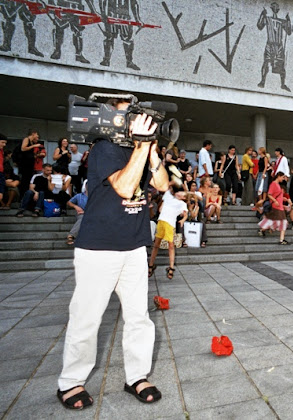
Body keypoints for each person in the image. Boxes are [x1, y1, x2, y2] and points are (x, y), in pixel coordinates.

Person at [57, 104, 169, 409]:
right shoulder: (104, 147)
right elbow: (124, 187)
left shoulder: (141, 149)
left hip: (133, 245)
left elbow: (162, 184)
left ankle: (137, 376)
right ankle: (71, 382)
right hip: (100, 246)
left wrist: (151, 150)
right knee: (87, 317)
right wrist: (142, 147)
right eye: (128, 115)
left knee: (139, 317)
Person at [148, 188, 188, 280]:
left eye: (182, 194)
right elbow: (160, 209)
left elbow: (185, 214)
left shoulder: (182, 204)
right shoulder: (169, 198)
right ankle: (151, 265)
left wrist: (182, 220)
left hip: (170, 224)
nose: (180, 194)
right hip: (161, 221)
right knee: (156, 244)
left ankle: (171, 267)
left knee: (171, 245)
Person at [258, 172, 290, 245]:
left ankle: (263, 230)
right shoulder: (274, 184)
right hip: (277, 206)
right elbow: (269, 194)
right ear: (278, 176)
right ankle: (281, 239)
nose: (283, 179)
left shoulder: (277, 184)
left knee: (274, 220)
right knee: (282, 221)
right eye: (282, 177)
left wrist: (281, 199)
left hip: (279, 206)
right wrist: (275, 201)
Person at [66, 181, 88, 246]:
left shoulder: (96, 196)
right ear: (85, 186)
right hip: (81, 213)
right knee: (82, 218)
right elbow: (69, 202)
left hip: (92, 214)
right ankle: (71, 235)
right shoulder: (79, 196)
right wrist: (75, 206)